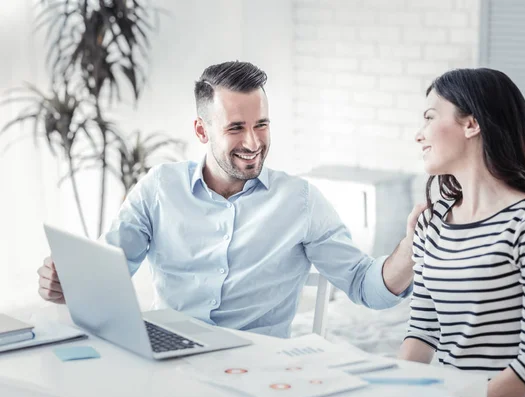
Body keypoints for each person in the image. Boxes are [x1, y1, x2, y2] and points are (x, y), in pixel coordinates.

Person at [37, 61, 423, 338]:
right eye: (236, 128)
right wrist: (68, 282)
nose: (253, 143)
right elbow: (111, 272)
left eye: (262, 125)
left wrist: (409, 248)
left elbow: (364, 285)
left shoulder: (300, 201)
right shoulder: (159, 188)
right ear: (202, 131)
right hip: (169, 359)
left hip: (259, 370)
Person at [399, 67, 525, 397]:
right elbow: (422, 332)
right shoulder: (432, 223)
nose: (419, 135)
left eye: (430, 117)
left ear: (471, 124)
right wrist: (392, 390)